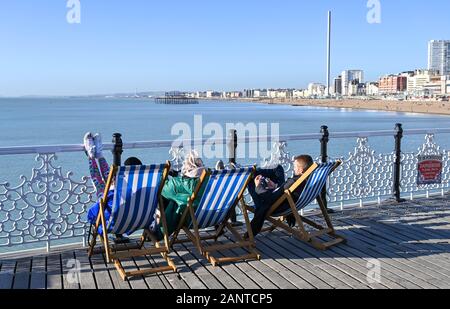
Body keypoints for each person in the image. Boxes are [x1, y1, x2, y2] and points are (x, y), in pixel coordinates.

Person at [84, 132, 143, 243]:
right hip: (133, 223)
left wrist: (92, 218)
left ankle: (93, 155)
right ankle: (97, 155)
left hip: (112, 223)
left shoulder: (112, 195)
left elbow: (92, 214)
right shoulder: (143, 192)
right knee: (108, 179)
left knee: (101, 183)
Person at [246, 155, 315, 237]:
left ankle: (252, 172)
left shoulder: (293, 181)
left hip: (272, 204)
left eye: (295, 167)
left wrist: (258, 186)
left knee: (250, 179)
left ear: (301, 170)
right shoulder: (308, 180)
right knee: (278, 168)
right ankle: (255, 172)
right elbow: (282, 192)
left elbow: (270, 199)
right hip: (286, 201)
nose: (293, 169)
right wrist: (276, 187)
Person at [150, 150, 208, 241]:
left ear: (186, 167)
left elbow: (162, 189)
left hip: (191, 220)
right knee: (179, 199)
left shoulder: (178, 184)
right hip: (211, 217)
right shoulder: (211, 180)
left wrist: (164, 174)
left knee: (174, 203)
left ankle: (159, 233)